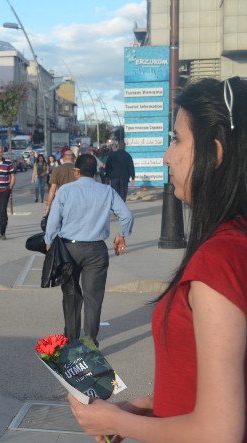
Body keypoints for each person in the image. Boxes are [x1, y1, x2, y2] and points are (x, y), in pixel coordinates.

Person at [69, 77, 247, 443]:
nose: (167, 155)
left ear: (214, 154)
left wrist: (113, 422)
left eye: (178, 139)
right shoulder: (235, 242)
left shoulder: (219, 258)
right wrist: (151, 406)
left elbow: (219, 432)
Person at [44, 154, 133, 346]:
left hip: (68, 248)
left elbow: (53, 220)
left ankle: (72, 341)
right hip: (96, 251)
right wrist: (121, 235)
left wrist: (49, 241)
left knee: (71, 295)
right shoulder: (107, 191)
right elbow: (126, 215)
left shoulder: (66, 190)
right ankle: (90, 344)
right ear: (95, 173)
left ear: (76, 171)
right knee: (93, 298)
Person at [44, 149, 76, 217]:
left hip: (61, 200)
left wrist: (48, 206)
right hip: (76, 200)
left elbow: (52, 189)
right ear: (74, 158)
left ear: (63, 159)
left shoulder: (57, 169)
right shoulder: (78, 169)